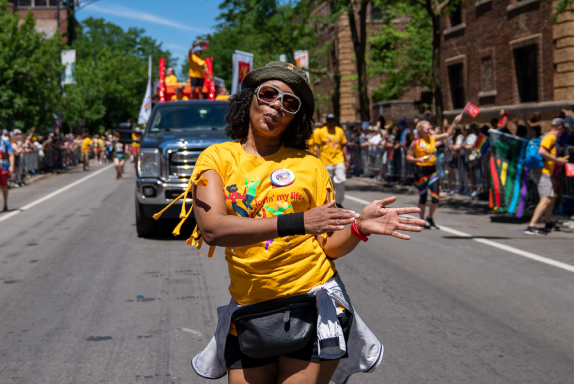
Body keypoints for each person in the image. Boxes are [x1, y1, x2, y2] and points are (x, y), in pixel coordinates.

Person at [154, 61, 425, 384]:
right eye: (268, 94)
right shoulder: (218, 158)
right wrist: (299, 221)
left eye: (289, 103)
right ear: (250, 99)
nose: (276, 107)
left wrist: (357, 228)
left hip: (311, 303)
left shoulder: (310, 166)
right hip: (250, 310)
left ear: (295, 116)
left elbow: (328, 246)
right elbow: (213, 229)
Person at [406, 113, 463, 229]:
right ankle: (421, 220)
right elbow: (408, 157)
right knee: (423, 197)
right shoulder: (415, 142)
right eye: (428, 128)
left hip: (432, 171)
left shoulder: (432, 139)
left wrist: (455, 122)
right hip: (420, 171)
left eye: (431, 128)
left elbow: (447, 134)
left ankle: (430, 218)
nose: (430, 130)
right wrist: (418, 159)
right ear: (421, 130)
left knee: (435, 197)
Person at [525, 118, 569, 235]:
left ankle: (548, 222)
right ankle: (531, 225)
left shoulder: (546, 136)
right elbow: (542, 151)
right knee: (546, 198)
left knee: (552, 196)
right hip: (542, 171)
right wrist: (557, 160)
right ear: (560, 127)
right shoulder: (551, 137)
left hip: (542, 171)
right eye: (564, 129)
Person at [314, 113, 350, 208]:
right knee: (326, 184)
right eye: (329, 120)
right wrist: (317, 159)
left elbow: (344, 146)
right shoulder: (321, 132)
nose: (331, 122)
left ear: (335, 121)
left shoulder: (339, 131)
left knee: (341, 180)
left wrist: (347, 159)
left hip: (339, 159)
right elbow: (317, 146)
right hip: (325, 160)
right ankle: (329, 201)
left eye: (332, 120)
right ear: (326, 121)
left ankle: (338, 200)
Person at [1, 133, 15, 212]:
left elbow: (11, 154)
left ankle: (5, 204)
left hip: (3, 167)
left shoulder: (5, 142)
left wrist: (11, 166)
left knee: (4, 186)